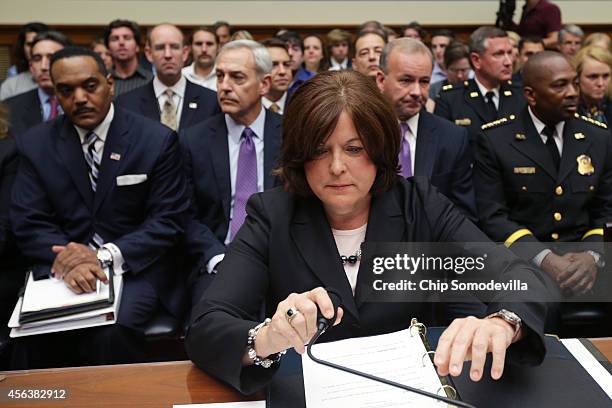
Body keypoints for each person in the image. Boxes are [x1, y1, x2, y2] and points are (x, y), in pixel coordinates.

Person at [185, 71, 552, 394]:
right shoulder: (272, 214)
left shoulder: (419, 205)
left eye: (354, 148)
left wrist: (505, 322)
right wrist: (266, 338)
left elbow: (519, 276)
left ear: (379, 149)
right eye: (319, 150)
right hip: (311, 393)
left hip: (413, 392)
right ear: (299, 155)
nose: (337, 167)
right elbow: (206, 326)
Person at [10, 47, 190, 368]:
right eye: (66, 90)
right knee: (32, 333)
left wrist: (101, 255)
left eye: (89, 86)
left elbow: (168, 221)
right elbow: (29, 221)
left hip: (135, 267)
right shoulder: (36, 145)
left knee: (111, 330)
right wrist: (68, 259)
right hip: (60, 269)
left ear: (110, 83)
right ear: (56, 94)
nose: (79, 98)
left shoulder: (155, 140)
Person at [473, 52, 612, 332]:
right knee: (529, 308)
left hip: (587, 256)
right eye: (560, 86)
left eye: (574, 83)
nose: (573, 93)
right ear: (531, 95)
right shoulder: (496, 139)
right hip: (527, 259)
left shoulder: (597, 136)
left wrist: (592, 256)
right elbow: (494, 217)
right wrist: (546, 259)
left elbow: (606, 209)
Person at [180, 39, 282, 305]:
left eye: (237, 77)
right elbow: (184, 214)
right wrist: (216, 257)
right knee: (208, 331)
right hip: (218, 260)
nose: (224, 86)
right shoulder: (194, 140)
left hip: (279, 259)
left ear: (265, 84)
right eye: (220, 76)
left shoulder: (291, 135)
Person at [377, 38, 477, 222]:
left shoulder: (452, 138)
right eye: (406, 80)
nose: (417, 91)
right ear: (381, 80)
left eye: (424, 82)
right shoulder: (363, 132)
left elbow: (463, 215)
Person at [115, 24, 219, 132]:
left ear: (185, 53)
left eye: (174, 47)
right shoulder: (127, 104)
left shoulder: (211, 102)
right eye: (160, 48)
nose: (168, 55)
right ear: (149, 53)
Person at [434, 27, 525, 145]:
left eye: (509, 53)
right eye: (499, 54)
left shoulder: (521, 94)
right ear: (476, 60)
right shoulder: (451, 98)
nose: (508, 62)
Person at [4, 31, 71, 137]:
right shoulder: (9, 108)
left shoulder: (83, 103)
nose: (43, 66)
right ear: (31, 67)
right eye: (37, 59)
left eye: (51, 58)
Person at [0, 22, 48, 100]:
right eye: (29, 44)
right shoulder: (11, 85)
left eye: (38, 43)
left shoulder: (63, 79)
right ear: (22, 47)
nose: (34, 49)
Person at [104, 19, 153, 96]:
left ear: (137, 46)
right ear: (108, 49)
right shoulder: (103, 80)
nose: (121, 42)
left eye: (127, 38)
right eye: (115, 39)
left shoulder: (151, 80)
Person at [574, 46, 612, 126]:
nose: (600, 83)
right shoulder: (567, 111)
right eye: (593, 77)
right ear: (577, 78)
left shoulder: (608, 105)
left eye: (606, 76)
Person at [261, 38, 293, 115]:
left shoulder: (302, 105)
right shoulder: (246, 107)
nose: (282, 71)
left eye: (286, 64)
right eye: (274, 65)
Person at [182, 27, 219, 91]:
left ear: (218, 47)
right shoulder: (181, 76)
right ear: (190, 48)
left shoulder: (226, 77)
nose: (204, 49)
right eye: (198, 44)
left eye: (209, 44)